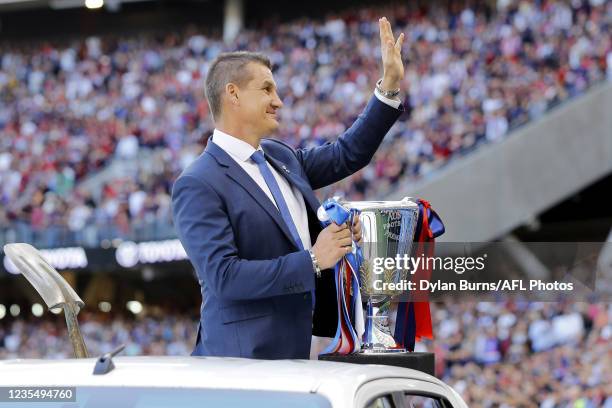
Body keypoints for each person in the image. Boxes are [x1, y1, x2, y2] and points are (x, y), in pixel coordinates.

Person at [172, 17, 406, 359]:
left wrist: (388, 87)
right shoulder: (197, 183)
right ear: (233, 94)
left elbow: (346, 154)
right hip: (242, 363)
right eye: (266, 89)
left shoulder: (279, 155)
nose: (278, 100)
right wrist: (313, 259)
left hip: (303, 348)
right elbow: (224, 277)